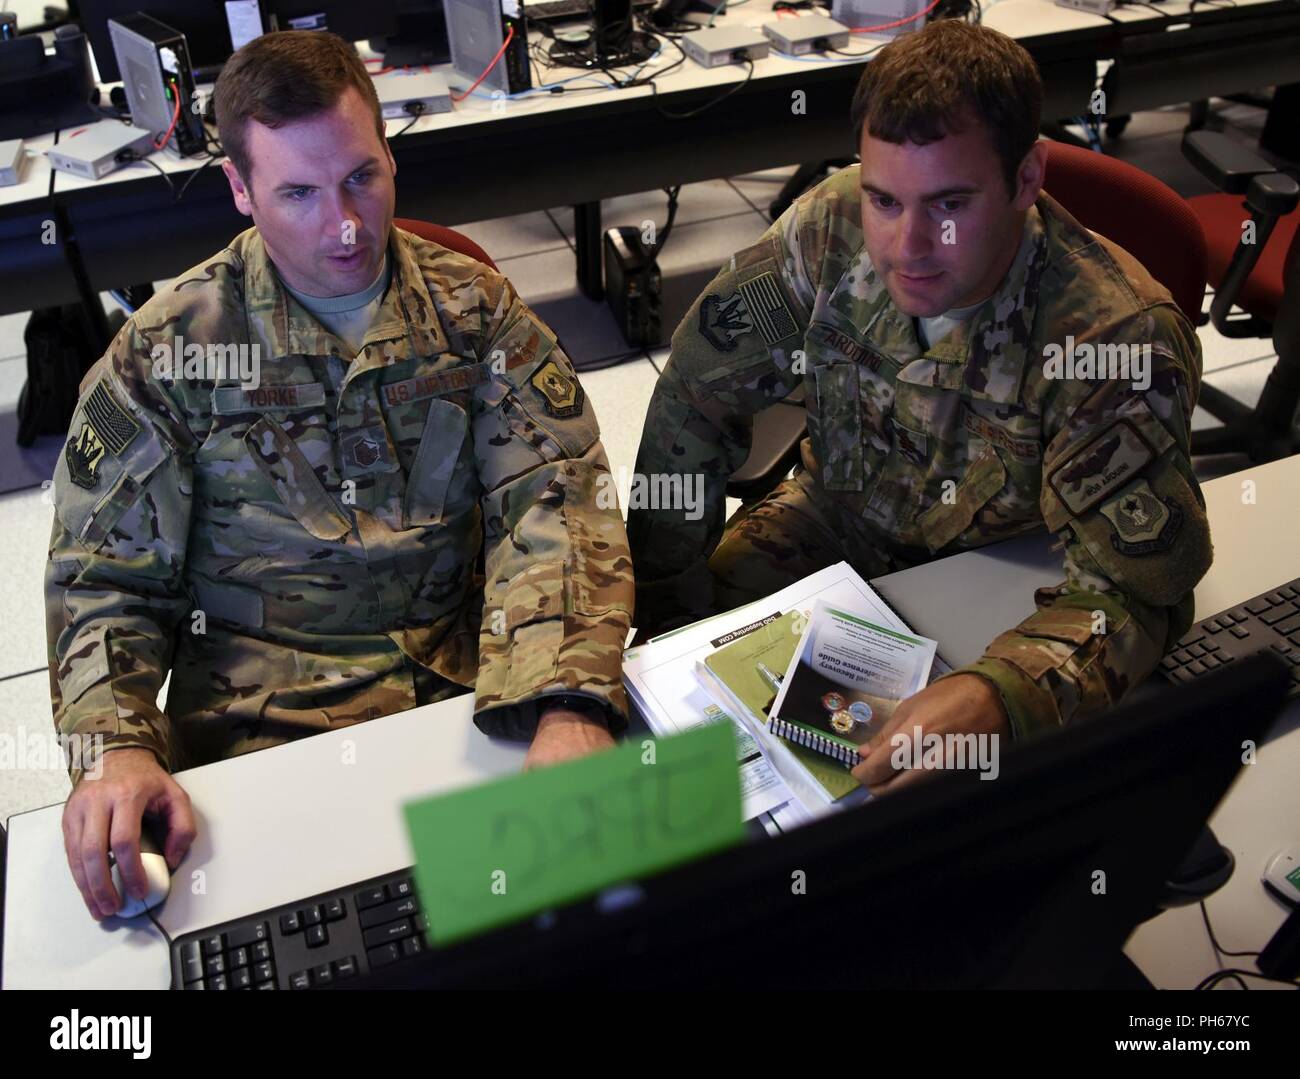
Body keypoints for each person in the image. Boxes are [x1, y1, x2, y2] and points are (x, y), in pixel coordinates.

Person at [46, 31, 632, 920]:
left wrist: (567, 702)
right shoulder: (168, 354)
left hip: (482, 691)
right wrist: (116, 747)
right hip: (265, 736)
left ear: (389, 151)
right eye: (299, 193)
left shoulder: (474, 312)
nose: (346, 223)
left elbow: (556, 496)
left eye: (362, 175)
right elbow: (101, 581)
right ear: (241, 191)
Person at [628, 20, 1210, 793]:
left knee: (974, 787)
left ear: (1028, 178)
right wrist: (667, 612)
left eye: (949, 203)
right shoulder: (829, 226)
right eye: (883, 198)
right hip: (837, 513)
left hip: (1011, 560)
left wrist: (999, 696)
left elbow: (1139, 596)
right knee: (689, 682)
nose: (907, 246)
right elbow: (692, 403)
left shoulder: (1113, 338)